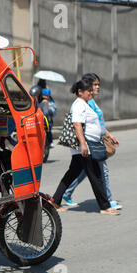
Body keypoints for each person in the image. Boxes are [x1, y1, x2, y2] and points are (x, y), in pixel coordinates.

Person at [51, 79, 120, 215]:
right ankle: (105, 206)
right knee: (96, 176)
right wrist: (83, 144)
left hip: (86, 146)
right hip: (86, 147)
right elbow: (77, 125)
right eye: (88, 90)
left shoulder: (84, 104)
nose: (91, 92)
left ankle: (55, 201)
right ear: (80, 92)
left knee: (72, 174)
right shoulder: (79, 105)